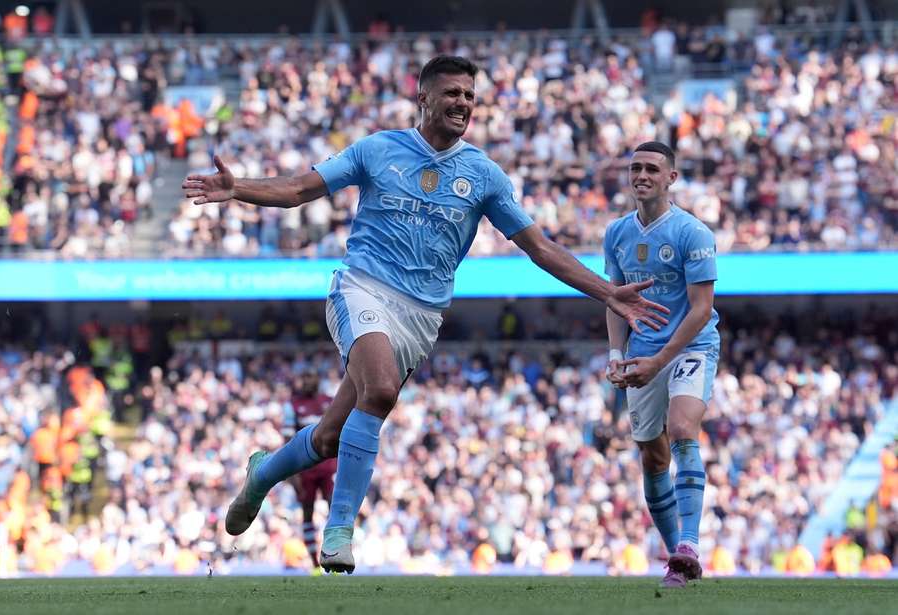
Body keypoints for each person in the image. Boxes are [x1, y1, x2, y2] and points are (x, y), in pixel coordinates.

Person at [183, 55, 669, 574]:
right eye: (453, 93)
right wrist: (238, 189)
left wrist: (607, 292)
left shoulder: (482, 174)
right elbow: (301, 189)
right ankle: (339, 531)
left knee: (329, 437)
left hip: (421, 315)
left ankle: (262, 474)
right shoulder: (378, 149)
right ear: (424, 98)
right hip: (362, 287)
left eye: (470, 96)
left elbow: (540, 248)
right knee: (383, 389)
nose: (463, 103)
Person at [604, 141, 719, 588]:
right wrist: (618, 355)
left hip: (690, 346)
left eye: (652, 168)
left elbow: (700, 309)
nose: (641, 175)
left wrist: (659, 361)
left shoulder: (693, 233)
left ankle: (688, 544)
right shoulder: (616, 233)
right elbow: (616, 301)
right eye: (635, 168)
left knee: (684, 429)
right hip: (641, 353)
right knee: (652, 456)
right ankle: (677, 557)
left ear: (671, 178)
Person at [284, 373, 336, 575]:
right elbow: (287, 439)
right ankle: (315, 565)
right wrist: (292, 472)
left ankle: (332, 555)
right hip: (305, 468)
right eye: (304, 380)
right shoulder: (292, 406)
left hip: (328, 465)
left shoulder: (329, 402)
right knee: (307, 513)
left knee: (335, 508)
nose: (307, 383)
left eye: (310, 380)